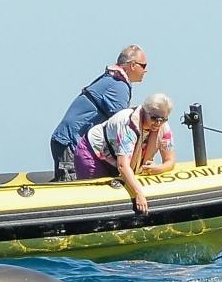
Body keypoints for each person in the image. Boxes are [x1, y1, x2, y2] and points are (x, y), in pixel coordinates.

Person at [49, 45, 148, 181]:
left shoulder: (111, 80)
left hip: (68, 140)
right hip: (70, 142)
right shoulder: (119, 86)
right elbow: (122, 126)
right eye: (143, 65)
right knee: (70, 184)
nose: (146, 70)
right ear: (132, 65)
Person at [76, 93, 173, 216]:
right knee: (95, 196)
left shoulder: (163, 128)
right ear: (145, 112)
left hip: (116, 157)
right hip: (94, 153)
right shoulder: (129, 127)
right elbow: (123, 166)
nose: (158, 123)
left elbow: (170, 160)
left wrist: (158, 168)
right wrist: (139, 194)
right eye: (154, 118)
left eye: (163, 119)